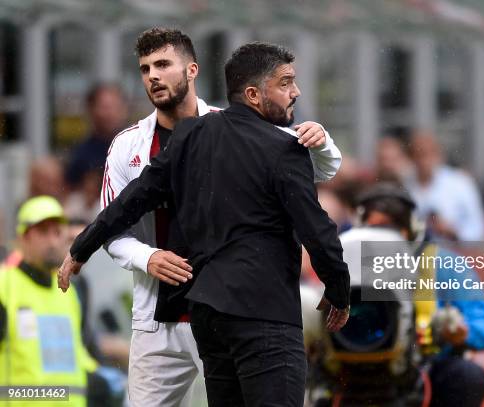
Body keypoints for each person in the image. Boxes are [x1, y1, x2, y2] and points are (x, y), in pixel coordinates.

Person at [61, 41, 350, 406]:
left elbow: (133, 199)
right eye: (286, 83)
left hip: (209, 317)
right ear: (253, 94)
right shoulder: (283, 148)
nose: (296, 93)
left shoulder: (191, 135)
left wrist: (81, 248)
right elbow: (317, 230)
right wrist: (339, 289)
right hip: (263, 313)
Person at [345, 183, 484, 407]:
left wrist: (460, 331)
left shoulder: (444, 265)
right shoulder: (344, 259)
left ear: (412, 228)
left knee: (467, 377)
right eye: (374, 229)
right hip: (355, 366)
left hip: (424, 367)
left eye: (391, 229)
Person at [0, 196, 98, 407]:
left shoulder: (69, 291)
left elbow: (76, 353)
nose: (53, 241)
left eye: (57, 232)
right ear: (23, 238)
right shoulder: (4, 287)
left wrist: (99, 377)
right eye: (43, 232)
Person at [404, 130, 484, 241]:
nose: (424, 161)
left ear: (439, 155)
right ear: (410, 158)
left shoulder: (461, 183)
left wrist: (454, 232)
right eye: (418, 155)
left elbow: (479, 227)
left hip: (457, 252)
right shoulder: (404, 187)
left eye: (429, 154)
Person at [65, 83, 128, 188]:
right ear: (91, 110)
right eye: (105, 107)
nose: (110, 113)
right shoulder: (80, 155)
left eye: (115, 106)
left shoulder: (141, 147)